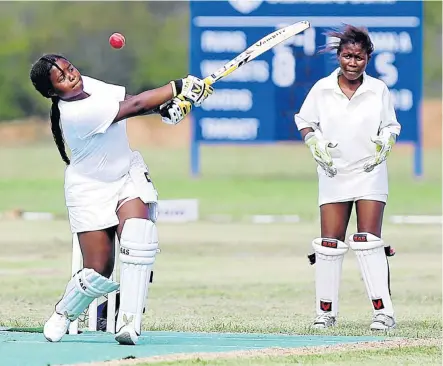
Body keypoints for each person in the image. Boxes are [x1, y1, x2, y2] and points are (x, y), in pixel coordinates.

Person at [29, 54, 213, 344]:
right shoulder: (75, 115)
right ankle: (64, 312)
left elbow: (129, 100)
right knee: (99, 270)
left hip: (126, 174)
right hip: (89, 189)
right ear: (53, 92)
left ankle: (128, 321)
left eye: (70, 68)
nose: (71, 76)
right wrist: (178, 87)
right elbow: (133, 106)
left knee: (139, 238)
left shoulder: (88, 84)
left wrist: (166, 108)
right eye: (62, 78)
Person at [294, 25, 401, 331]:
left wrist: (386, 142)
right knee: (329, 245)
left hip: (370, 171)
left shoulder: (378, 89)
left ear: (368, 58)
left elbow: (391, 125)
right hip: (334, 172)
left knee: (368, 242)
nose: (352, 63)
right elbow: (304, 120)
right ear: (339, 56)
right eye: (347, 56)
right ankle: (325, 312)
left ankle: (383, 312)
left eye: (359, 57)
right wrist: (313, 141)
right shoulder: (322, 89)